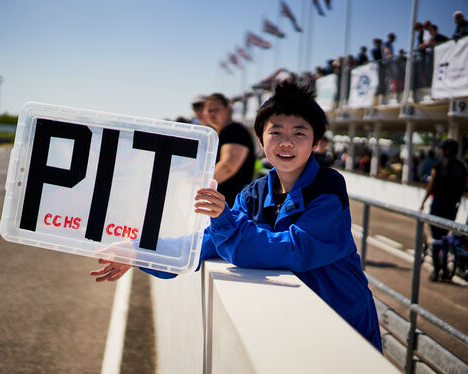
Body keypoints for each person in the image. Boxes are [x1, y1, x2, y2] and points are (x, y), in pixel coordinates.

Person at [91, 81, 382, 352]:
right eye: (276, 131)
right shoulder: (252, 194)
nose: (286, 142)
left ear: (316, 142)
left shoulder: (328, 187)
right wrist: (138, 250)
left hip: (343, 322)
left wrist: (224, 219)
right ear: (260, 139)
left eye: (299, 133)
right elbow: (204, 244)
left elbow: (295, 249)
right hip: (291, 326)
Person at [420, 139, 468, 281]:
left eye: (443, 149)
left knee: (436, 239)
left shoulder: (439, 164)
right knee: (445, 236)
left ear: (447, 150)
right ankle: (446, 271)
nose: (441, 151)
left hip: (438, 205)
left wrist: (423, 202)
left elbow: (431, 184)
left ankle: (436, 271)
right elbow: (465, 185)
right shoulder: (462, 166)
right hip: (453, 207)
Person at [201, 93, 255, 207]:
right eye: (209, 110)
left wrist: (199, 184)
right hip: (221, 204)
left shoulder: (234, 131)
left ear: (228, 110)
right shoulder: (221, 133)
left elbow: (227, 167)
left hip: (231, 206)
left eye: (216, 109)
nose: (212, 114)